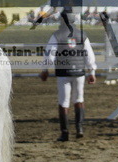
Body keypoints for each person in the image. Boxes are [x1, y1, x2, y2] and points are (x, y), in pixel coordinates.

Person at [39, 8, 97, 141]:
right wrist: (92, 71)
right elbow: (89, 55)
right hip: (79, 73)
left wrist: (45, 70)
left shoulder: (57, 35)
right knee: (79, 100)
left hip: (63, 73)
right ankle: (79, 128)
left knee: (64, 102)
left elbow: (50, 54)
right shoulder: (82, 35)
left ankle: (65, 133)